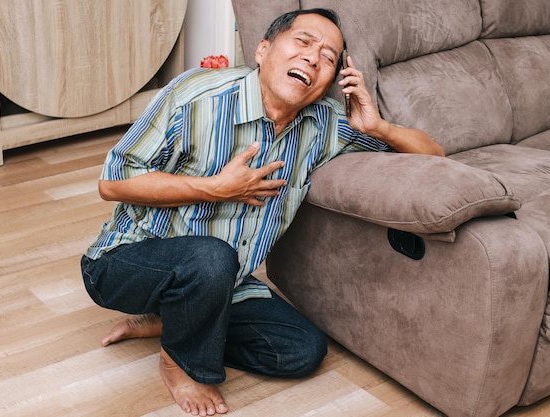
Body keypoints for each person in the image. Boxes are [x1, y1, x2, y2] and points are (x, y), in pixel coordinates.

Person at [80, 7, 444, 417]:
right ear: (263, 49)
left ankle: (172, 319)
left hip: (224, 281)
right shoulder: (195, 96)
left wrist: (378, 127)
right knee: (211, 255)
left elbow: (434, 155)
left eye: (328, 57)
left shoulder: (324, 123)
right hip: (124, 261)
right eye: (304, 42)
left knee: (302, 351)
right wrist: (214, 189)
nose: (313, 58)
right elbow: (111, 183)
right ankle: (180, 362)